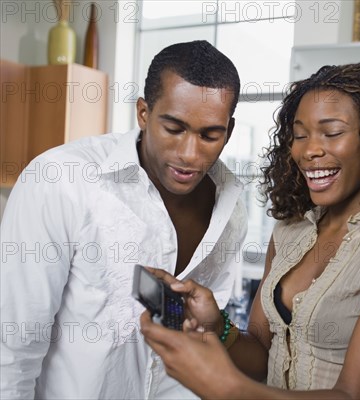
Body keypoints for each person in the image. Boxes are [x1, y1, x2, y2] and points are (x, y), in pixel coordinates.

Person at [140, 63, 360, 399]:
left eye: (332, 133)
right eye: (300, 134)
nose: (309, 151)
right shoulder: (291, 231)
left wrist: (224, 386)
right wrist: (217, 327)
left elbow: (352, 395)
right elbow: (262, 356)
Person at [0, 40, 247, 399]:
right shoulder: (59, 180)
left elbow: (203, 341)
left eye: (210, 135)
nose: (190, 155)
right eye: (174, 128)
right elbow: (12, 348)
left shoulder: (231, 207)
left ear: (229, 130)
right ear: (143, 113)